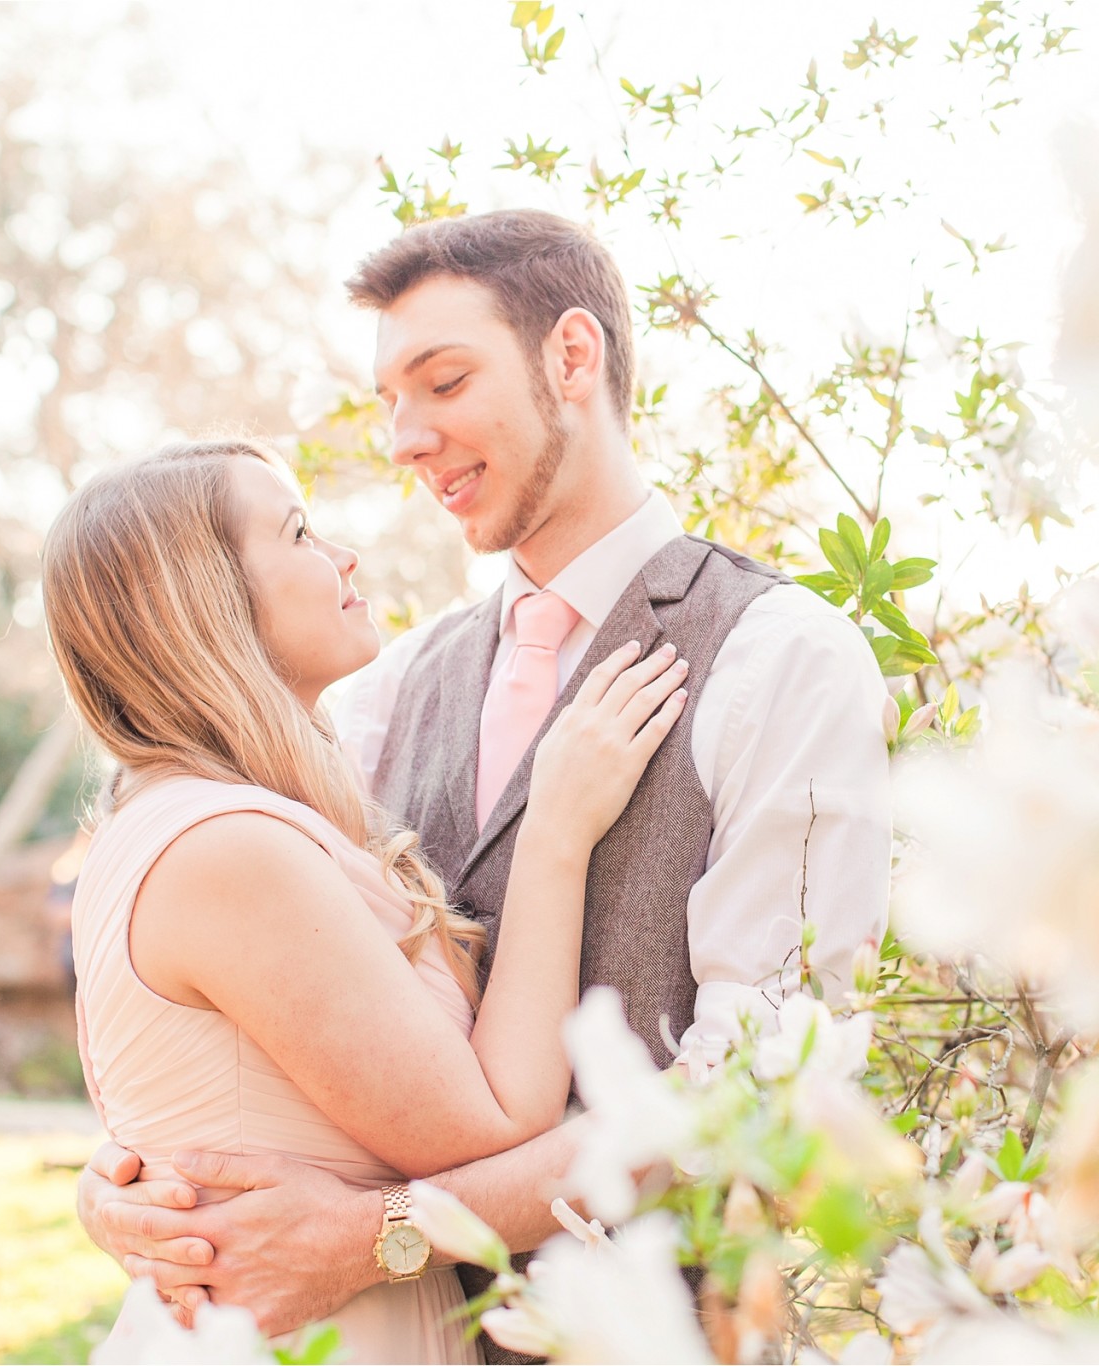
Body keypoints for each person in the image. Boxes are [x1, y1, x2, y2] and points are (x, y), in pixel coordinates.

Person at [75, 210, 893, 1360]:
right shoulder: (379, 693)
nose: (405, 439)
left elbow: (761, 1097)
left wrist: (379, 1237)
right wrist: (130, 1182)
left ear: (571, 358)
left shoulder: (778, 660)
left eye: (443, 381)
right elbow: (264, 1022)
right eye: (388, 404)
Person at [47, 438, 689, 1361]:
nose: (344, 556)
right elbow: (500, 1124)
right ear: (206, 601)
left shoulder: (199, 818)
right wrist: (555, 830)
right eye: (301, 532)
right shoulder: (226, 849)